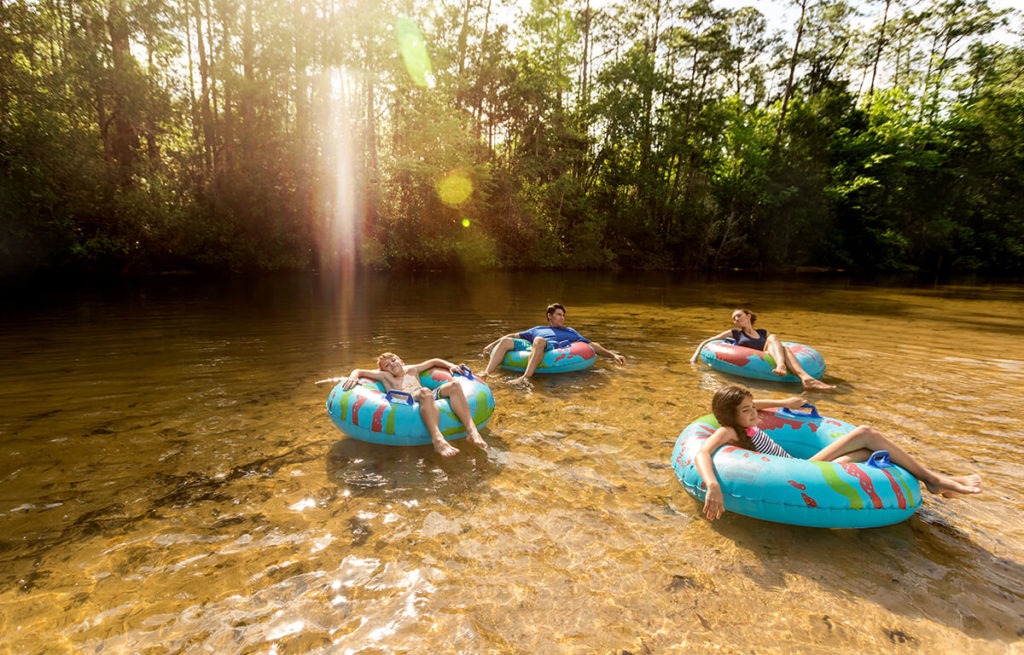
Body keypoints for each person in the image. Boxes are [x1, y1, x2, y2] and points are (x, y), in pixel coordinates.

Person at [695, 385, 983, 521]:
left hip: (799, 467)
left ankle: (931, 482)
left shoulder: (745, 420)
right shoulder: (728, 431)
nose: (754, 412)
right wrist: (713, 485)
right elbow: (702, 454)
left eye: (751, 406)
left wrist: (786, 401)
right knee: (866, 433)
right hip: (799, 471)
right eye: (746, 411)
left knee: (863, 451)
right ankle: (934, 480)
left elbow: (757, 404)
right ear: (730, 416)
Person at [342, 353, 486, 457]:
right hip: (406, 402)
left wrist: (451, 365)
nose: (392, 363)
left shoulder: (413, 370)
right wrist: (353, 376)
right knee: (425, 392)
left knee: (454, 385)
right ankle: (438, 439)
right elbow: (359, 371)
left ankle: (472, 432)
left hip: (427, 396)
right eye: (387, 364)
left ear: (401, 361)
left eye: (394, 360)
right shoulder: (384, 377)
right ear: (383, 370)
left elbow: (434, 361)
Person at [689, 308, 836, 391]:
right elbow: (708, 341)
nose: (736, 319)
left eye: (739, 316)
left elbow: (773, 344)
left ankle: (794, 373)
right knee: (782, 347)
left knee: (776, 341)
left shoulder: (763, 332)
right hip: (754, 357)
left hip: (767, 354)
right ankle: (805, 378)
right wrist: (695, 356)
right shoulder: (735, 333)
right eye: (734, 318)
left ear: (749, 315)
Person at [480, 303, 626, 384]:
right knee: (506, 340)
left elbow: (591, 345)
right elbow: (513, 335)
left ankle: (525, 377)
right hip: (532, 347)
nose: (562, 318)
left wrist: (613, 355)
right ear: (549, 316)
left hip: (551, 348)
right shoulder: (537, 329)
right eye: (559, 315)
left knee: (539, 340)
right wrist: (491, 345)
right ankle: (487, 373)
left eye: (563, 315)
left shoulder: (569, 331)